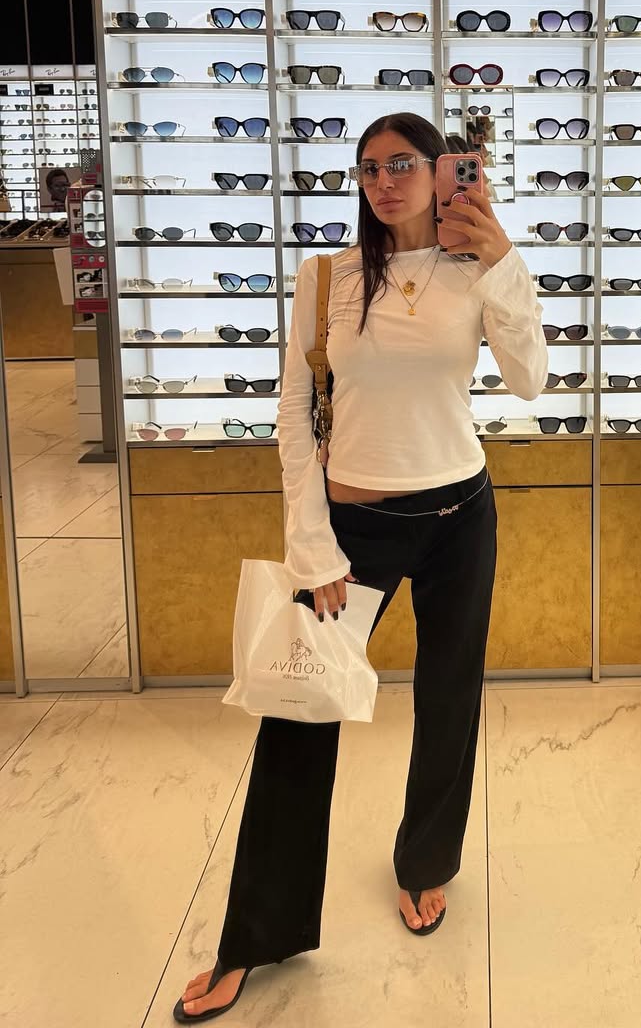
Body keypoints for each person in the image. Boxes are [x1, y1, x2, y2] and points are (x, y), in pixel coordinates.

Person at [176, 112, 548, 1021]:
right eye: (371, 167)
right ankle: (251, 938)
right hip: (356, 527)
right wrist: (315, 543)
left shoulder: (478, 269)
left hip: (463, 513)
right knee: (299, 717)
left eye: (405, 165)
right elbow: (296, 418)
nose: (385, 181)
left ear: (441, 173)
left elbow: (532, 378)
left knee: (450, 693)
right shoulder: (326, 278)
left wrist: (503, 262)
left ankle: (426, 863)